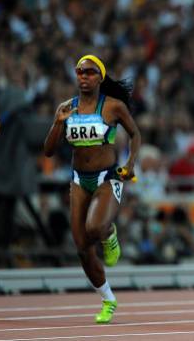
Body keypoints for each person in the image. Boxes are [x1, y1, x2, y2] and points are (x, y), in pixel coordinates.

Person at [44, 54, 140, 324]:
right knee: (82, 247)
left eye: (89, 73)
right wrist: (58, 123)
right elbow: (48, 151)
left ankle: (109, 235)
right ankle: (108, 299)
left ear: (100, 77)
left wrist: (130, 163)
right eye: (79, 72)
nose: (83, 77)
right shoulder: (67, 107)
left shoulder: (113, 107)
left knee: (95, 228)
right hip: (78, 179)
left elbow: (135, 134)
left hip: (107, 177)